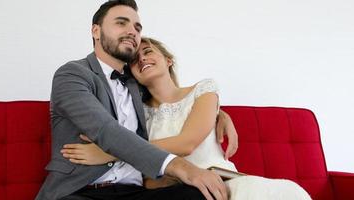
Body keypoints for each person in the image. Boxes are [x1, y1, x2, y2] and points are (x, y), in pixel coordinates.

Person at [62, 37, 312, 200]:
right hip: (178, 191)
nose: (143, 59)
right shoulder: (138, 116)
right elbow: (146, 179)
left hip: (223, 183)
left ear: (168, 60)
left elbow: (188, 142)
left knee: (286, 193)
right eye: (136, 60)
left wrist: (114, 150)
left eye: (148, 52)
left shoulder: (203, 90)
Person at [36, 1, 236, 200]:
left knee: (198, 195)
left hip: (136, 192)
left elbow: (171, 100)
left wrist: (218, 113)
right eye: (121, 23)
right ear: (96, 31)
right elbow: (106, 130)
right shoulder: (72, 75)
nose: (132, 31)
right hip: (81, 191)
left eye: (137, 27)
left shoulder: (137, 84)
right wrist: (181, 167)